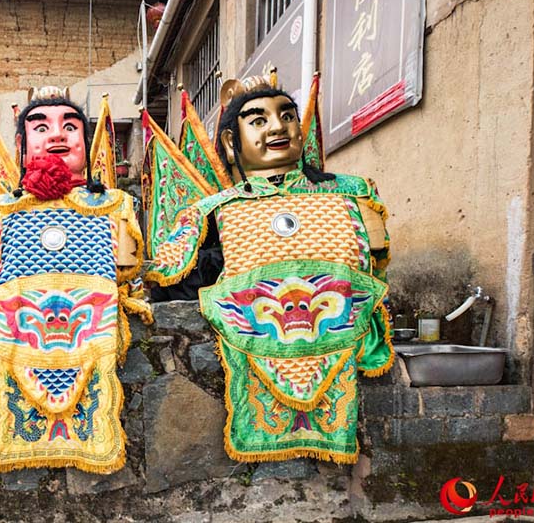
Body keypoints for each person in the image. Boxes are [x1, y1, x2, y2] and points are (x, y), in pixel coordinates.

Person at [146, 73, 392, 464]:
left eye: (287, 116)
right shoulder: (214, 210)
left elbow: (374, 264)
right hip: (257, 349)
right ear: (231, 141)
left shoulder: (352, 192)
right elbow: (167, 277)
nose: (278, 127)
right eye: (258, 120)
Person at [0, 87, 150, 474]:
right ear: (21, 145)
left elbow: (128, 271)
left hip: (92, 337)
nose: (57, 135)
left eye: (70, 127)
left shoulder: (115, 204)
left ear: (86, 143)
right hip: (20, 343)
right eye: (41, 128)